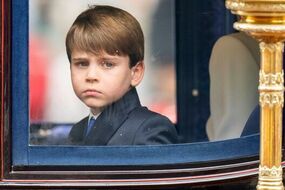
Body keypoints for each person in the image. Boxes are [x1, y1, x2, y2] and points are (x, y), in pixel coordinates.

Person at [65, 5, 178, 145]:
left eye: (108, 64)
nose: (91, 75)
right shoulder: (78, 131)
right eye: (82, 64)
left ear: (135, 72)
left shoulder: (150, 130)